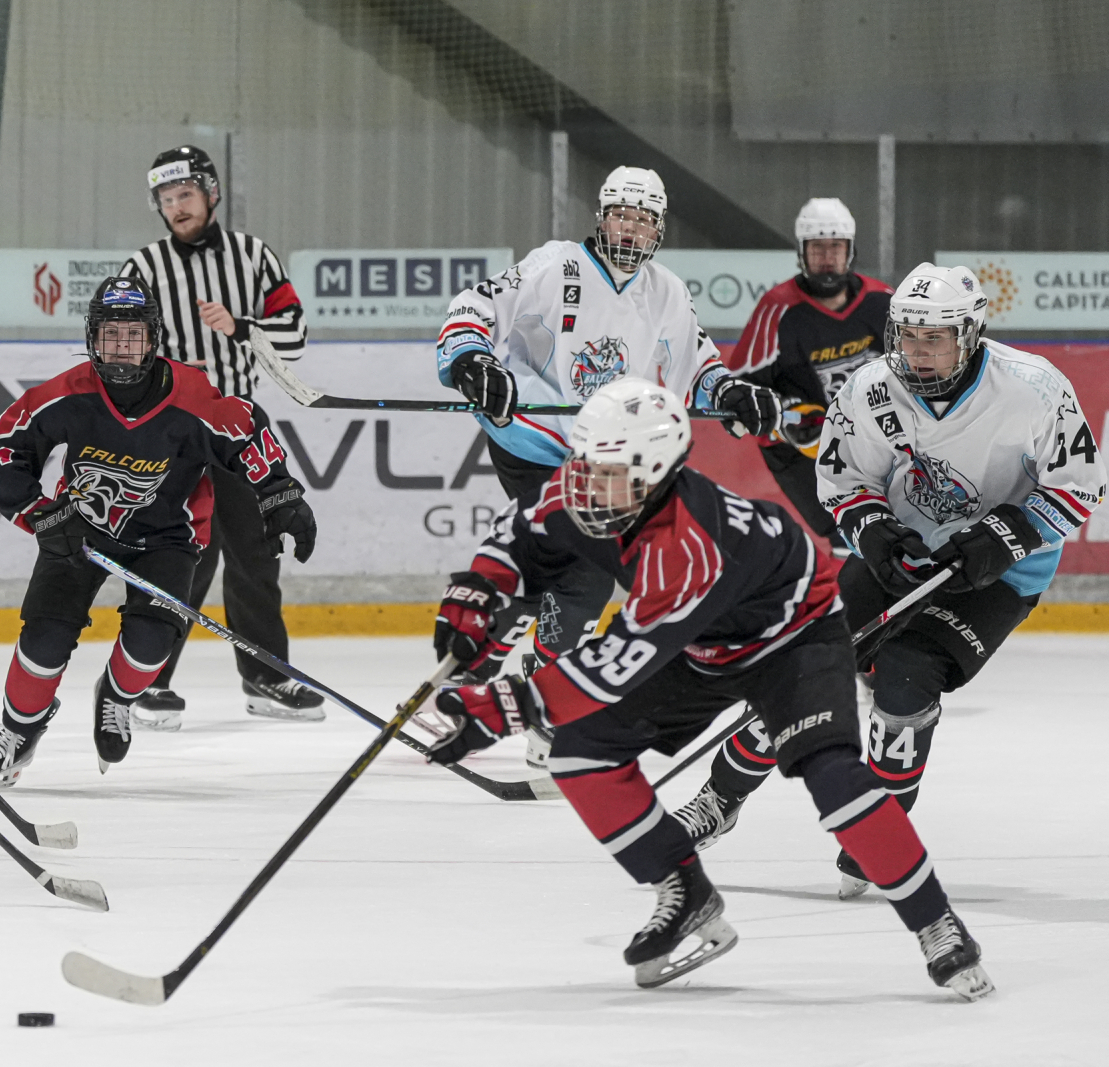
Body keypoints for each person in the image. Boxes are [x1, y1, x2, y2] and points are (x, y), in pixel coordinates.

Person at [422, 378, 991, 999]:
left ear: (655, 475)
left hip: (793, 640)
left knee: (833, 776)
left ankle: (937, 924)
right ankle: (685, 892)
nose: (587, 485)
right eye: (585, 464)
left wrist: (502, 707)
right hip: (702, 642)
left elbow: (610, 668)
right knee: (581, 753)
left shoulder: (687, 548)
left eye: (610, 473)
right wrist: (475, 593)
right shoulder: (588, 486)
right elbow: (519, 532)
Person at [673, 264, 1103, 896]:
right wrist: (876, 534)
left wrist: (1005, 535)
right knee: (800, 672)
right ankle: (720, 797)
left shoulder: (1034, 388)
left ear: (970, 334)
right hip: (901, 555)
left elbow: (1081, 486)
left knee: (905, 678)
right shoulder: (870, 388)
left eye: (935, 338)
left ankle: (879, 827)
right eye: (907, 336)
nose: (917, 352)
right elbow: (844, 481)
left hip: (1001, 571)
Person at [434, 165, 780, 763]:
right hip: (532, 440)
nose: (630, 229)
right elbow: (477, 305)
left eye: (644, 220)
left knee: (562, 568)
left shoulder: (667, 291)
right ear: (602, 216)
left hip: (604, 458)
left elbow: (698, 363)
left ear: (659, 229)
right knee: (583, 573)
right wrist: (473, 360)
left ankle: (486, 671)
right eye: (622, 215)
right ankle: (538, 700)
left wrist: (729, 391)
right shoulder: (556, 264)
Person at [0, 276, 316, 784]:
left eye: (133, 335)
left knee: (150, 644)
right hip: (81, 531)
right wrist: (43, 516)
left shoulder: (192, 396)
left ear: (153, 339)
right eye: (110, 334)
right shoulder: (66, 393)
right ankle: (17, 733)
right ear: (92, 338)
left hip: (166, 538)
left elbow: (245, 431)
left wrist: (280, 495)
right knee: (44, 638)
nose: (121, 347)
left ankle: (116, 696)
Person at [117, 144, 322, 729]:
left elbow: (294, 336)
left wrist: (241, 327)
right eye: (166, 199)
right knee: (177, 557)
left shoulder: (253, 257)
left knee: (256, 553)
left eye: (185, 194)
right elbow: (119, 350)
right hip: (171, 436)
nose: (176, 207)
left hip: (237, 429)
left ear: (211, 193)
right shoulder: (142, 268)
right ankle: (145, 682)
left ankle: (265, 676)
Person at [722, 198, 893, 553]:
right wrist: (780, 417)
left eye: (836, 247)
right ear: (802, 253)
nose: (827, 258)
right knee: (848, 536)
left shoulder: (883, 302)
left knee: (902, 524)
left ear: (850, 251)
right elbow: (737, 388)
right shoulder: (778, 309)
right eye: (818, 248)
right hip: (803, 453)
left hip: (873, 439)